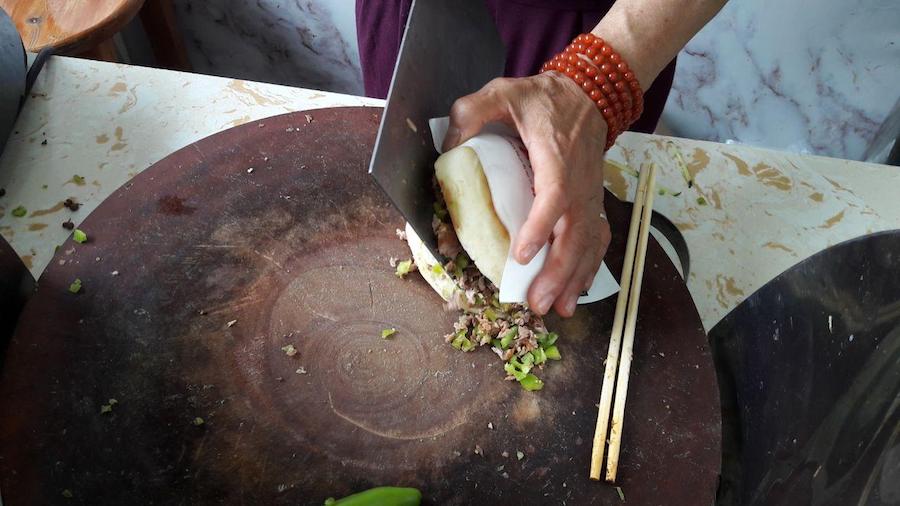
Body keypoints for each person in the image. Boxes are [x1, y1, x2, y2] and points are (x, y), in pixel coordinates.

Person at [357, 0, 725, 317]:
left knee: (557, 223)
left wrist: (592, 82)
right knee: (413, 182)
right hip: (411, 19)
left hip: (595, 31)